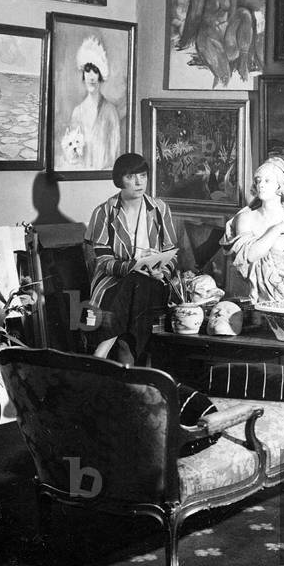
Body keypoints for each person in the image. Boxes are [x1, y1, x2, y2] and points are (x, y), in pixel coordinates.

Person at [86, 153, 179, 364]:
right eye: (131, 177)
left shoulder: (159, 209)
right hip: (114, 281)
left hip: (155, 281)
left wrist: (162, 271)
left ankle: (101, 353)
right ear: (120, 179)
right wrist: (132, 265)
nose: (139, 182)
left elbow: (172, 251)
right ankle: (129, 360)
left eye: (143, 176)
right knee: (133, 282)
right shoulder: (105, 212)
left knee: (139, 284)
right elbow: (102, 259)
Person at [222, 157, 284, 303]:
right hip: (255, 305)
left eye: (267, 180)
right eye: (258, 180)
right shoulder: (246, 218)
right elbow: (250, 255)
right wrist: (278, 229)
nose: (260, 185)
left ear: (280, 185)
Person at [67, 36, 123, 170]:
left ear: (100, 75)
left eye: (95, 71)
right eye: (88, 71)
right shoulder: (77, 112)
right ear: (83, 74)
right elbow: (73, 154)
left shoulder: (111, 112)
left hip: (105, 178)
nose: (91, 77)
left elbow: (115, 154)